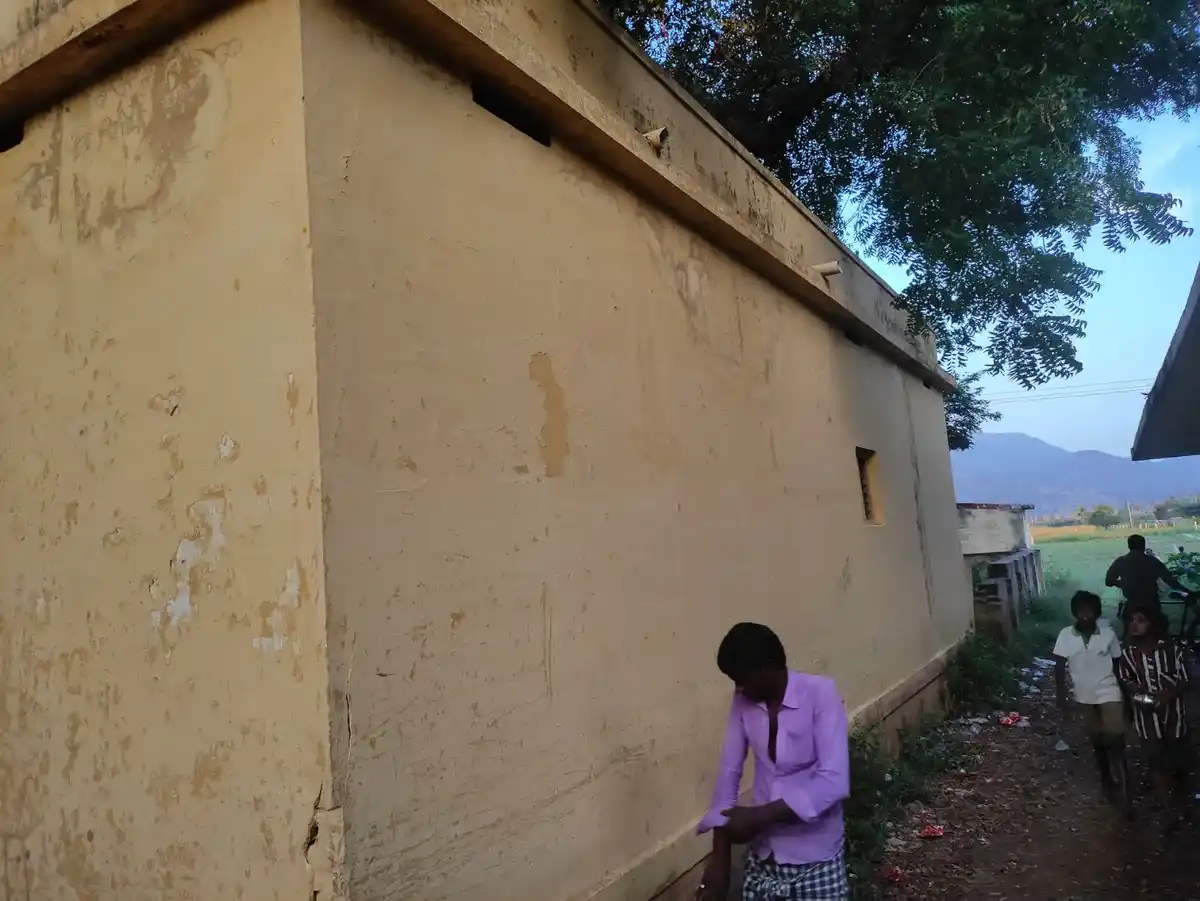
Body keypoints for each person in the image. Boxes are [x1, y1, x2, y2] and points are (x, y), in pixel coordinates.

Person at [695, 623, 850, 901]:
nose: (738, 688)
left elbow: (833, 782)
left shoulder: (820, 694)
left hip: (816, 860)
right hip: (764, 858)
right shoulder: (743, 702)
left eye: (742, 679)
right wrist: (720, 860)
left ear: (767, 668)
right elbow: (729, 772)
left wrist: (759, 817)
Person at [1116, 604, 1193, 832]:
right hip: (1146, 718)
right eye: (1131, 620)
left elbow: (1185, 678)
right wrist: (1145, 700)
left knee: (1177, 761)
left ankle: (1182, 804)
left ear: (1153, 625)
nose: (1135, 625)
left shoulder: (1171, 649)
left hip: (1174, 715)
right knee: (1155, 761)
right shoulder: (1128, 655)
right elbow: (1128, 683)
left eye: (1141, 620)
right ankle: (1169, 813)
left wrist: (1167, 696)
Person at [1051, 591, 1127, 800]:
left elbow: (1118, 665)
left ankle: (1124, 782)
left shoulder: (1108, 634)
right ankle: (1106, 777)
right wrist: (1061, 697)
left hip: (1109, 689)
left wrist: (1126, 694)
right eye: (1080, 610)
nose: (1085, 614)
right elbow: (1059, 666)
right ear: (1074, 612)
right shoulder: (1066, 635)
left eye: (1090, 610)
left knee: (1116, 736)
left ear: (1097, 612)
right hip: (1083, 694)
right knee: (1097, 739)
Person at [1105, 533, 1190, 631]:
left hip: (1132, 604)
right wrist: (1188, 592)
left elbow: (1108, 581)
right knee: (1157, 632)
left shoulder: (1121, 561)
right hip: (1151, 605)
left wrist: (1125, 584)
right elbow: (1171, 581)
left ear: (1129, 546)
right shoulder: (1153, 561)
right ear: (1143, 546)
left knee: (1131, 634)